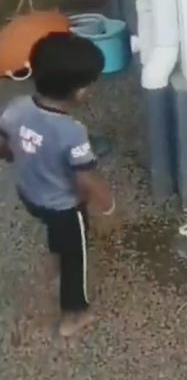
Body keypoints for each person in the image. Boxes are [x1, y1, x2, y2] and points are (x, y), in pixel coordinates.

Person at [0, 32, 116, 337]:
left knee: (57, 234)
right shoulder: (72, 131)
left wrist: (14, 155)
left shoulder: (18, 106)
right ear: (80, 92)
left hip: (30, 195)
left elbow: (4, 144)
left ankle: (55, 251)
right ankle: (73, 316)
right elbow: (83, 179)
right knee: (76, 258)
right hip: (63, 207)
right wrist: (107, 207)